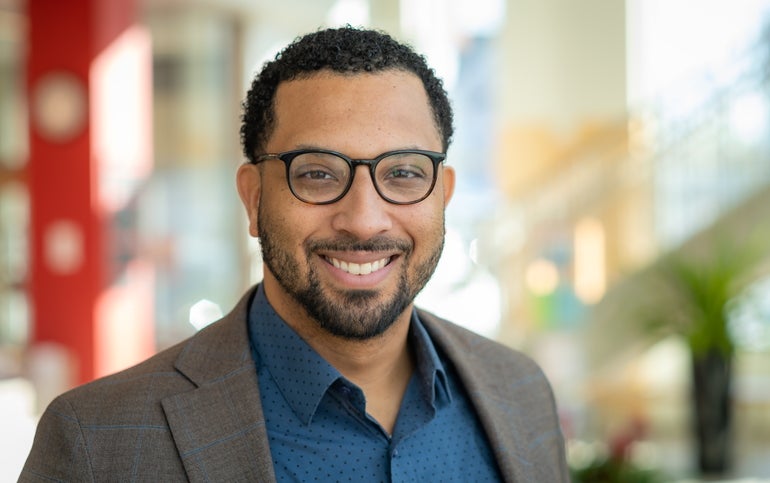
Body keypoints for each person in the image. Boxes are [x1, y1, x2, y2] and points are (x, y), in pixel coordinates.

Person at [20, 26, 568, 482]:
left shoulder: (520, 393)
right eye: (317, 174)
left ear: (442, 195)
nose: (364, 219)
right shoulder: (97, 440)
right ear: (254, 198)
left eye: (402, 174)